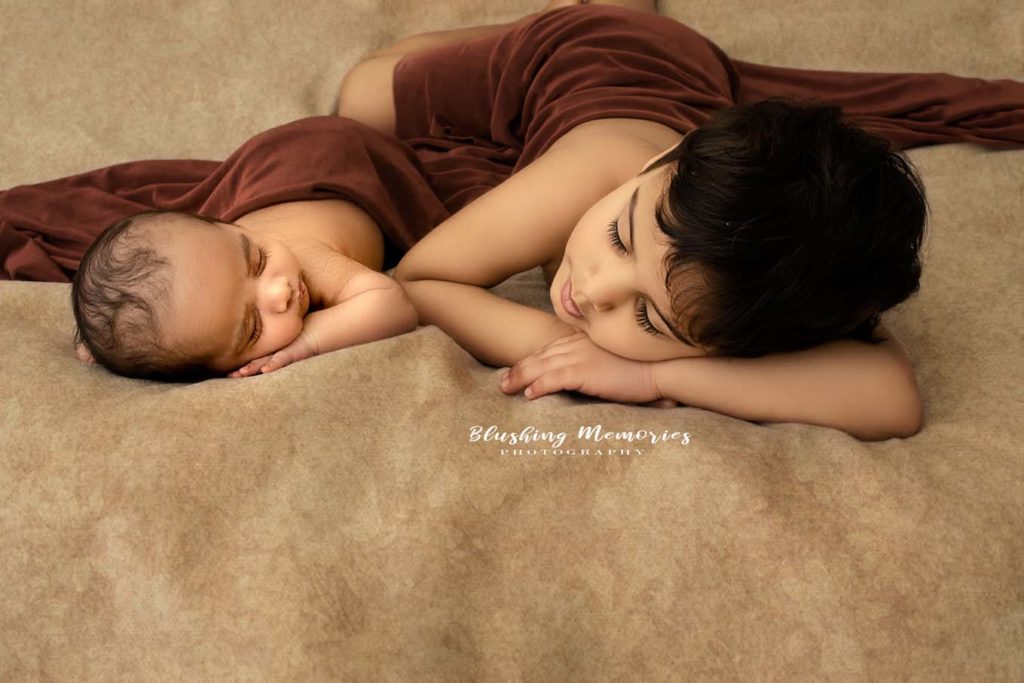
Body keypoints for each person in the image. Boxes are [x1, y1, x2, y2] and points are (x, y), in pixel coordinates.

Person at [334, 0, 1024, 439]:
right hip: (577, 59)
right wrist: (560, 342)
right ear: (660, 163)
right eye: (616, 236)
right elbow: (421, 278)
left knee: (643, 26)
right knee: (362, 97)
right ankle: (558, 15)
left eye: (647, 320)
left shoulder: (757, 280)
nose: (597, 288)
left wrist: (656, 377)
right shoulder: (601, 172)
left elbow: (894, 399)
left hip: (688, 76)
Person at [1, 116, 450, 382]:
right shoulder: (217, 281)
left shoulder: (307, 261)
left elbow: (392, 303)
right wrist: (104, 345)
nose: (279, 293)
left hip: (336, 157)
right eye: (253, 327)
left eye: (256, 259)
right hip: (280, 172)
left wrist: (310, 341)